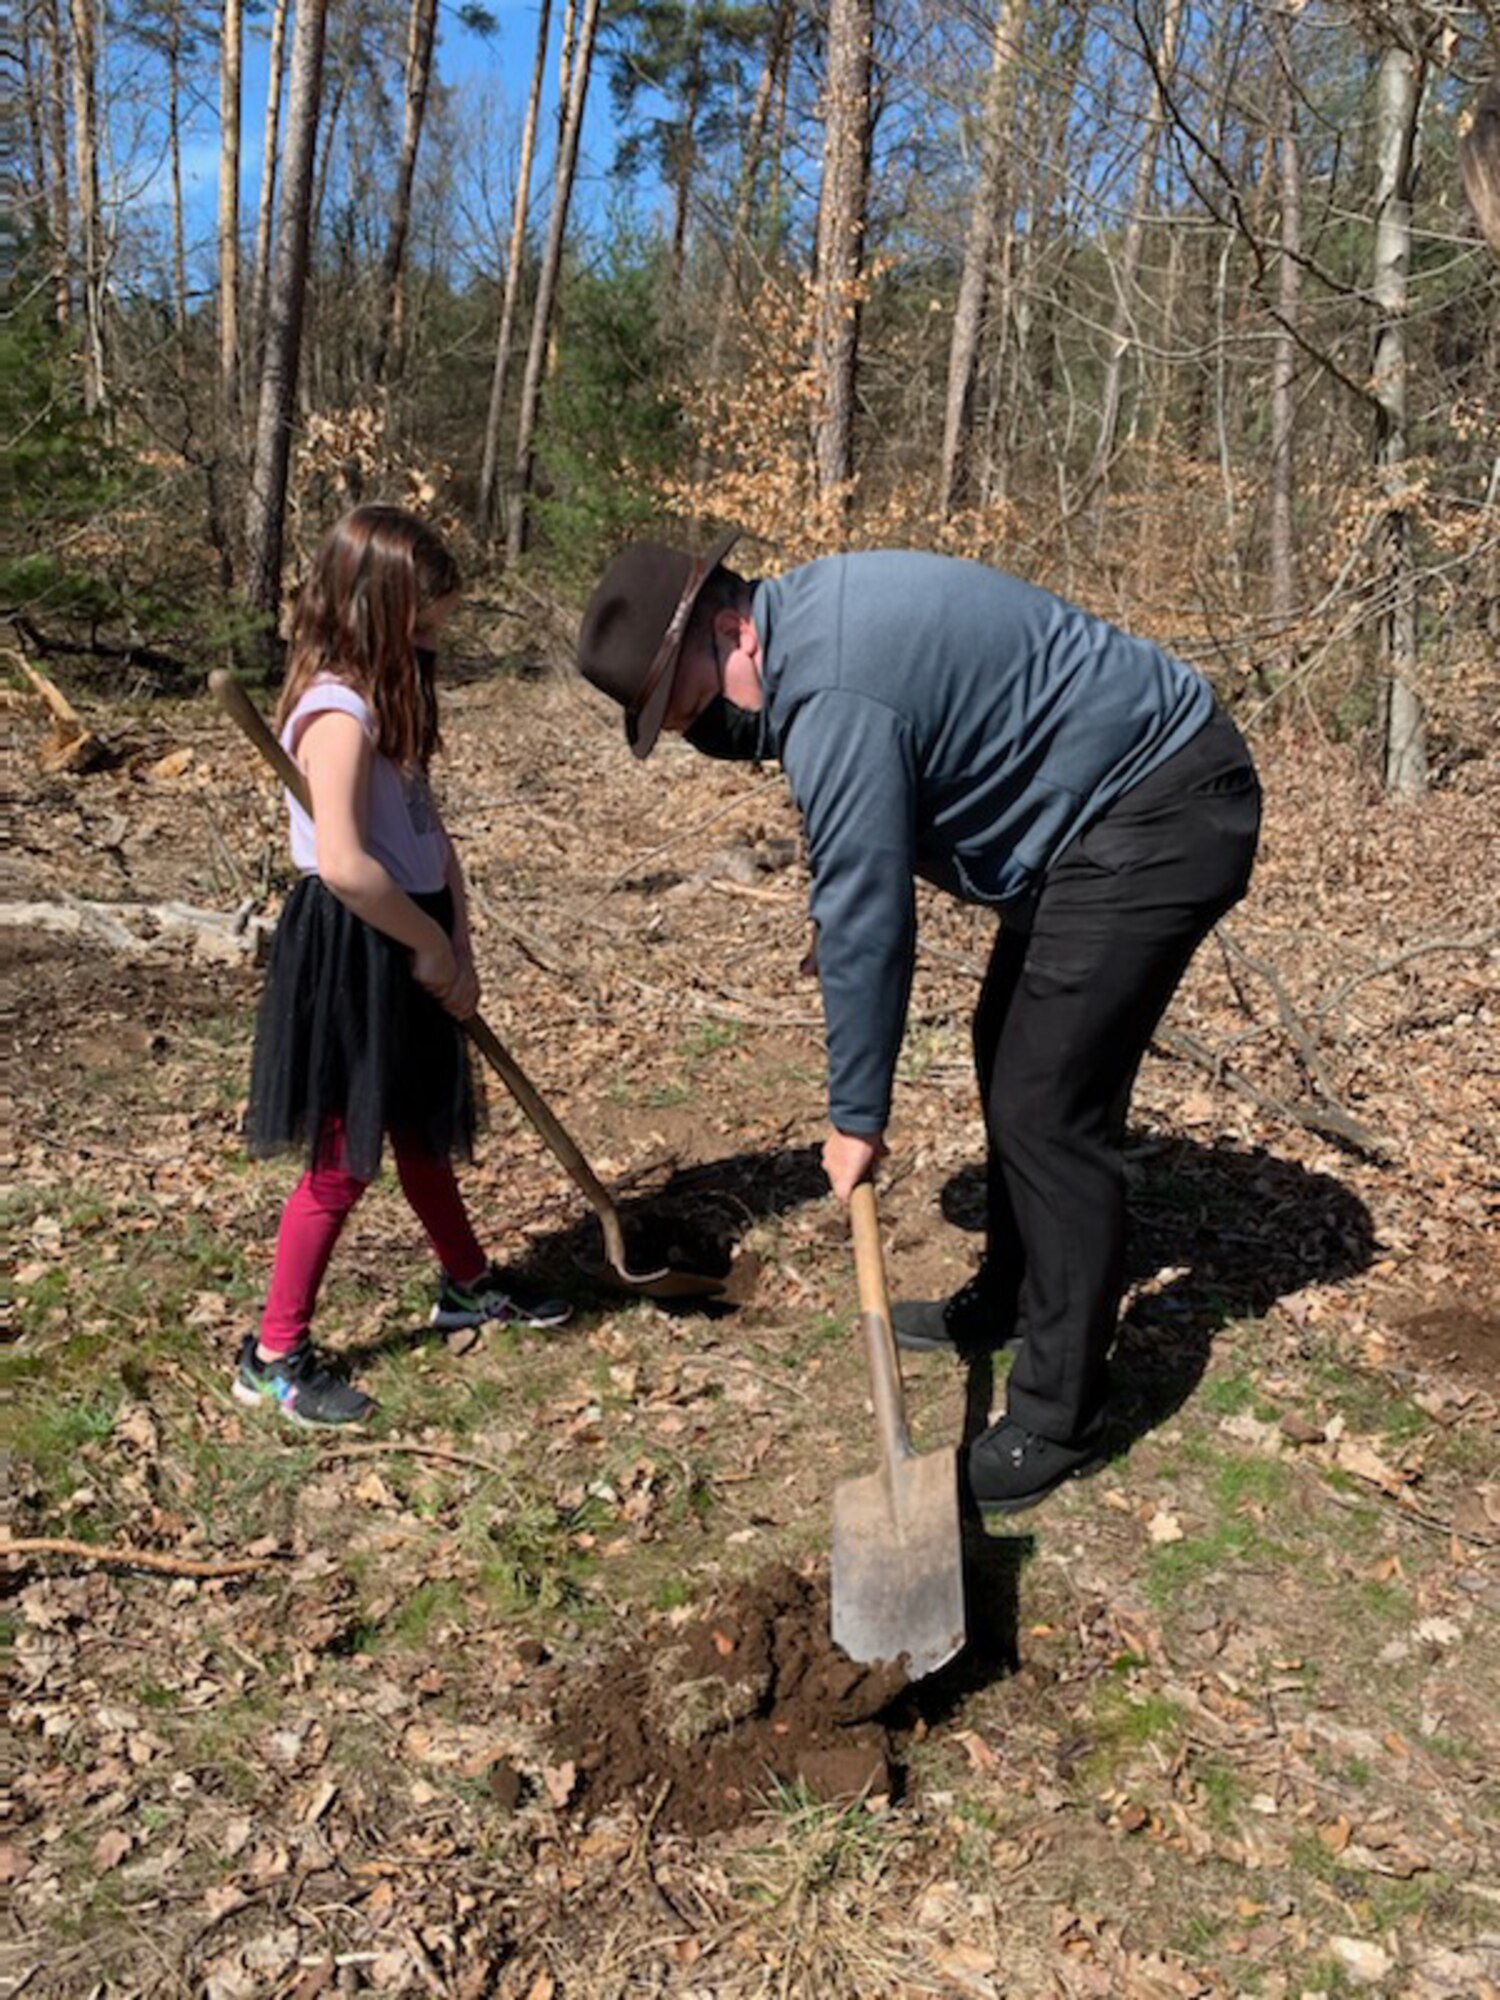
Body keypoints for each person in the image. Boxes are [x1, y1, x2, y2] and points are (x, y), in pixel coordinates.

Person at [576, 533, 1260, 1512]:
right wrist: (838, 899)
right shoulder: (803, 629)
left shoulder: (835, 688)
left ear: (734, 630)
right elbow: (853, 830)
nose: (704, 733)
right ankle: (1017, 1292)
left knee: (1047, 1104)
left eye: (694, 707)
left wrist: (856, 1118)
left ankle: (1058, 1413)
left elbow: (870, 911)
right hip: (1097, 820)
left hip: (1160, 810)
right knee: (1009, 1051)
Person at [238, 504, 568, 1426]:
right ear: (378, 604)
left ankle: (465, 1283)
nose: (438, 629)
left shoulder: (389, 695)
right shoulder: (336, 711)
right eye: (426, 614)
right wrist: (421, 943)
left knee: (423, 1128)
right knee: (345, 1160)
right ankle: (274, 1351)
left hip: (413, 926)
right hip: (355, 943)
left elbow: (430, 835)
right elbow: (343, 864)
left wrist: (456, 940)